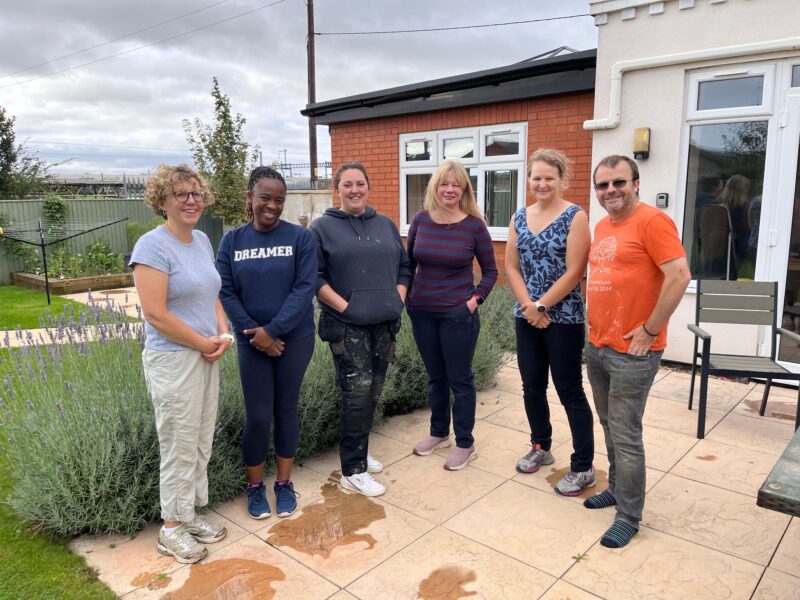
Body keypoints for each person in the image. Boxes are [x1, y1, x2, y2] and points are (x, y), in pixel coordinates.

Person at [584, 155, 690, 548]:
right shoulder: (602, 225)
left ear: (636, 184)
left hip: (633, 350)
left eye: (618, 183)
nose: (610, 191)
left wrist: (650, 328)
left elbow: (679, 275)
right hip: (599, 343)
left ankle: (629, 514)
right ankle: (616, 487)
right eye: (603, 185)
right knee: (609, 423)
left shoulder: (652, 221)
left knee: (626, 433)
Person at [130, 163, 232, 564]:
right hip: (174, 360)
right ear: (161, 201)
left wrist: (221, 333)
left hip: (206, 353)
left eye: (196, 193)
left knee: (200, 437)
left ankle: (188, 513)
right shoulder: (152, 247)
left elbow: (212, 292)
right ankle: (171, 528)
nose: (191, 201)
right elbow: (155, 314)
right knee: (178, 441)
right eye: (180, 194)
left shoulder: (202, 240)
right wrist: (203, 342)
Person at [216, 166, 317, 520]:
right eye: (265, 198)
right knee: (258, 416)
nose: (272, 206)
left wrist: (272, 331)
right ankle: (255, 487)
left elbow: (304, 289)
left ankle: (284, 484)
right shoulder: (232, 241)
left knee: (286, 410)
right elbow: (226, 291)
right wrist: (256, 335)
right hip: (251, 341)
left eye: (279, 200)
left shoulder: (300, 238)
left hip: (295, 339)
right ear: (250, 198)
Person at [308, 162, 412, 497]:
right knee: (357, 391)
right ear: (336, 188)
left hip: (383, 321)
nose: (355, 190)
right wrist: (345, 307)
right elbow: (316, 278)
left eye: (360, 184)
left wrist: (397, 298)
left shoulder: (384, 224)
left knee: (375, 387)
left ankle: (360, 449)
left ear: (368, 187)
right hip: (345, 324)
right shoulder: (321, 228)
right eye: (348, 184)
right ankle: (353, 469)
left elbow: (404, 267)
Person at [505, 148, 594, 495]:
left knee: (569, 390)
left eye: (549, 178)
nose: (542, 183)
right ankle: (540, 446)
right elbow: (510, 267)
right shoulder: (519, 216)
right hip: (526, 315)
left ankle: (583, 466)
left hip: (565, 318)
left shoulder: (576, 216)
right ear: (529, 180)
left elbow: (575, 271)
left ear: (562, 180)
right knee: (531, 387)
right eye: (536, 177)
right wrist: (529, 305)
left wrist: (542, 306)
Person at [408, 159, 498, 471]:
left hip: (458, 315)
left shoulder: (474, 226)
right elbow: (408, 266)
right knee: (436, 377)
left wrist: (473, 302)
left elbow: (490, 272)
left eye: (455, 184)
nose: (449, 189)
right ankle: (438, 433)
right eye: (444, 183)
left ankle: (465, 443)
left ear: (463, 190)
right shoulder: (420, 220)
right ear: (435, 186)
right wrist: (406, 299)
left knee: (460, 379)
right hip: (421, 313)